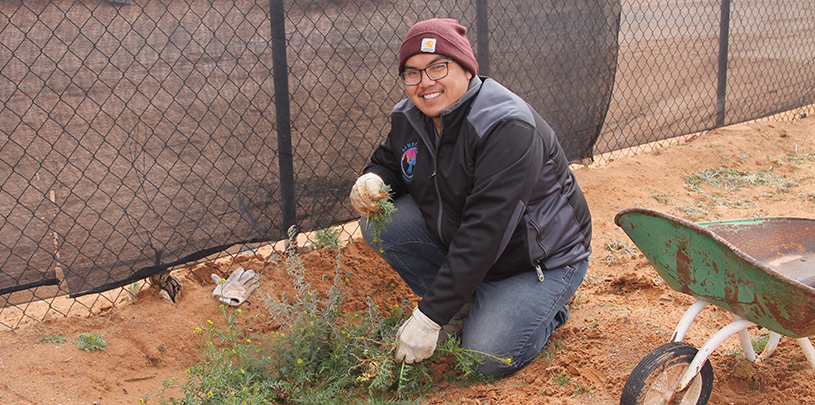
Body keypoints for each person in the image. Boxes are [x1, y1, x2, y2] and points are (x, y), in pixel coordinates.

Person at [349, 18, 592, 377]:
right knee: (383, 220)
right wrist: (374, 179)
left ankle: (549, 308)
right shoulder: (411, 117)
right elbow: (391, 162)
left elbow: (485, 232)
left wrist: (429, 317)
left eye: (438, 67)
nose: (425, 83)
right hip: (470, 246)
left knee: (485, 359)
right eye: (412, 73)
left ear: (466, 69)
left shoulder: (506, 127)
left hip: (535, 260)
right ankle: (463, 302)